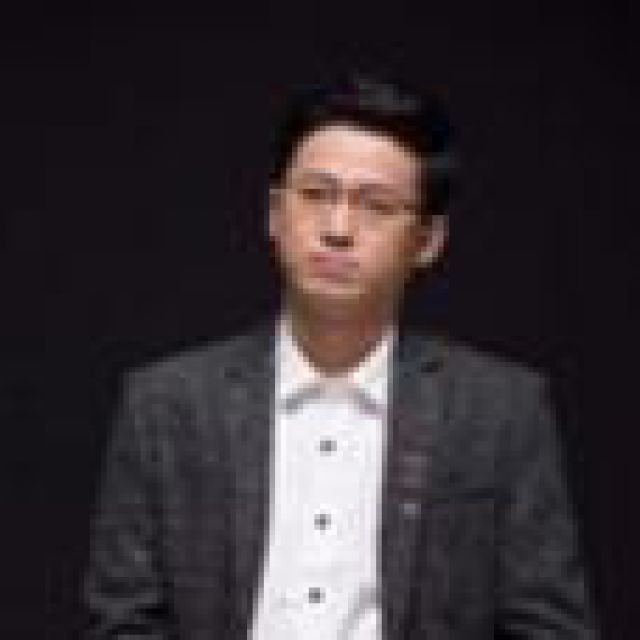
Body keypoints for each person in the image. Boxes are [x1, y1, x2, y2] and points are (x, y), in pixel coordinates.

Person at [84, 74, 598, 638]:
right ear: (274, 214)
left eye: (376, 205)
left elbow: (550, 628)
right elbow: (122, 622)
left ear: (428, 240)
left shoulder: (500, 413)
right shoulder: (167, 406)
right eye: (316, 194)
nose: (338, 229)